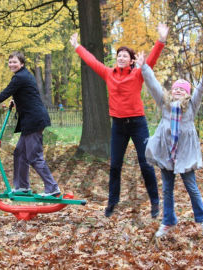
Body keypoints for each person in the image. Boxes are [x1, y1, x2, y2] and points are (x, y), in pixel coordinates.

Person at [69, 23, 169, 218]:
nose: (121, 58)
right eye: (119, 55)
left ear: (131, 60)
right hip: (118, 126)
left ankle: (155, 202)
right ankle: (112, 202)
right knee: (115, 165)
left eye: (125, 56)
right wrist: (77, 46)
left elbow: (152, 60)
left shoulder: (138, 73)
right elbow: (92, 61)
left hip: (138, 124)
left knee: (145, 163)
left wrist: (161, 40)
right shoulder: (109, 74)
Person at [137, 52, 203, 237]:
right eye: (175, 88)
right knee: (167, 189)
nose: (177, 91)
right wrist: (144, 67)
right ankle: (168, 221)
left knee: (192, 188)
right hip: (167, 155)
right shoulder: (165, 104)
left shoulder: (191, 107)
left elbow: (201, 88)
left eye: (182, 89)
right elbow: (153, 85)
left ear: (188, 94)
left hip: (184, 155)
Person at [0, 51, 60, 197]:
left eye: (15, 62)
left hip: (34, 121)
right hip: (30, 121)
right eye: (10, 62)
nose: (12, 64)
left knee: (34, 156)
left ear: (22, 64)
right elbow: (29, 92)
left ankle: (52, 187)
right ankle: (22, 187)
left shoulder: (19, 77)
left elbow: (3, 95)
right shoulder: (24, 76)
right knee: (20, 153)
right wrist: (17, 99)